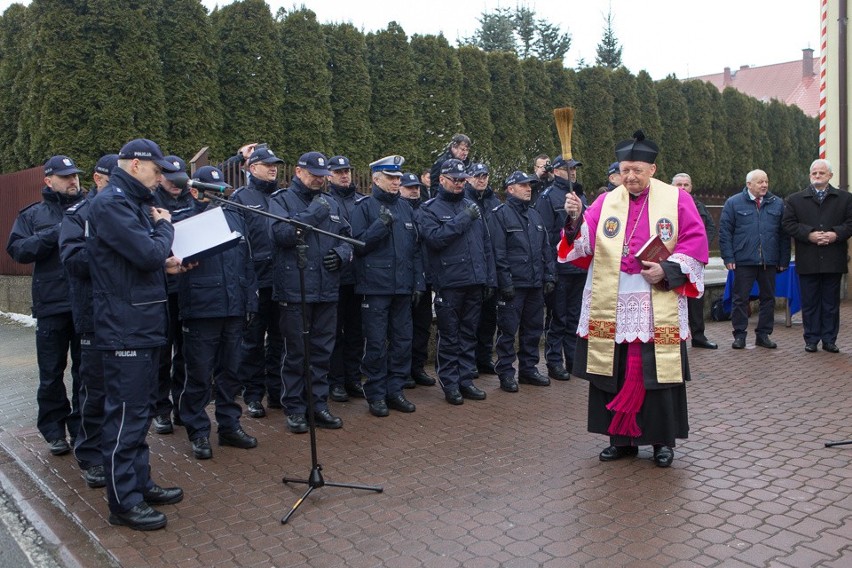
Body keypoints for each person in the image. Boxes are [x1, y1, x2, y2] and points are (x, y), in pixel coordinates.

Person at [562, 130, 708, 468]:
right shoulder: (607, 201)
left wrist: (667, 270)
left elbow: (695, 243)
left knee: (656, 369)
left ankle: (661, 442)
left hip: (656, 295)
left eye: (637, 170)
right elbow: (581, 244)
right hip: (613, 298)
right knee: (615, 369)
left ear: (652, 169)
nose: (630, 176)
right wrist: (573, 219)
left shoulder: (676, 199)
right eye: (625, 170)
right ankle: (621, 438)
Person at [86, 138, 186, 530]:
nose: (160, 176)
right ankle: (123, 503)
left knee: (139, 413)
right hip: (125, 328)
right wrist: (165, 229)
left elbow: (139, 262)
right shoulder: (111, 203)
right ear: (132, 166)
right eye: (155, 169)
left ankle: (139, 483)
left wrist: (167, 265)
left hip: (142, 323)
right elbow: (147, 254)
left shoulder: (132, 203)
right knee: (125, 417)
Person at [176, 166, 258, 459]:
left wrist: (250, 302)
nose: (217, 195)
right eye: (210, 190)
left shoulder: (235, 216)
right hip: (201, 309)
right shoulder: (182, 218)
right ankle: (198, 431)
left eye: (220, 189)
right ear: (195, 190)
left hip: (233, 307)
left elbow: (248, 263)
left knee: (231, 372)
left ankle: (229, 425)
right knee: (199, 375)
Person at [6, 155, 84, 457]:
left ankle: (81, 429)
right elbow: (19, 250)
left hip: (84, 304)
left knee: (85, 372)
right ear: (48, 181)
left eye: (74, 176)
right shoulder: (33, 215)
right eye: (65, 177)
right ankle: (53, 430)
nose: (73, 181)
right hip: (51, 305)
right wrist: (55, 233)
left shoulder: (88, 209)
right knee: (51, 372)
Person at [269, 151, 352, 433]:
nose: (319, 180)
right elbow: (281, 235)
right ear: (298, 171)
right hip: (295, 288)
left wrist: (342, 254)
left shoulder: (332, 202)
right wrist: (314, 213)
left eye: (323, 176)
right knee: (296, 352)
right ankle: (294, 407)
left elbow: (347, 238)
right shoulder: (280, 200)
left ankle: (318, 404)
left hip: (327, 288)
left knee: (321, 351)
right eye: (314, 175)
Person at [349, 156, 424, 417]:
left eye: (398, 178)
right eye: (391, 178)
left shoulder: (405, 208)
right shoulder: (364, 207)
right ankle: (377, 394)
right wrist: (380, 226)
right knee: (377, 345)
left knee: (403, 342)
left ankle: (395, 390)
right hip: (376, 288)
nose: (396, 182)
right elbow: (356, 246)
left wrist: (417, 282)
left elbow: (414, 249)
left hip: (402, 288)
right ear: (376, 179)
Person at [420, 158, 496, 405]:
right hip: (449, 283)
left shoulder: (471, 205)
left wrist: (488, 279)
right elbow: (434, 239)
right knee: (450, 336)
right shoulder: (429, 209)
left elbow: (485, 245)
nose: (459, 184)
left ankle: (465, 380)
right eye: (455, 180)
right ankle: (450, 384)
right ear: (442, 179)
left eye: (463, 180)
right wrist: (462, 218)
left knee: (468, 335)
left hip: (474, 281)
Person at [230, 146, 285, 418]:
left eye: (275, 164)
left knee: (280, 339)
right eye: (267, 164)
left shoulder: (283, 197)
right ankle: (253, 395)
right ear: (252, 168)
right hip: (255, 282)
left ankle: (277, 392)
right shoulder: (241, 198)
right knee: (251, 341)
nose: (273, 168)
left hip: (282, 280)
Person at [488, 171, 555, 392]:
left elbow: (545, 249)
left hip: (534, 284)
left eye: (530, 185)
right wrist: (504, 282)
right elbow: (498, 252)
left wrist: (549, 276)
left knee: (533, 329)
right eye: (523, 185)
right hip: (514, 286)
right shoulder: (500, 215)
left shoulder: (535, 215)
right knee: (508, 331)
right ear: (510, 188)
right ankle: (506, 372)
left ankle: (528, 369)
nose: (528, 189)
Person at [59, 188, 106, 488]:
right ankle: (91, 455)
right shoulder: (77, 216)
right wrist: (110, 245)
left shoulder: (135, 210)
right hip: (93, 315)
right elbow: (74, 260)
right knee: (94, 389)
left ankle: (117, 455)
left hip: (126, 315)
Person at [782, 159, 852, 353]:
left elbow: (850, 222)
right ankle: (811, 339)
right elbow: (788, 224)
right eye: (814, 173)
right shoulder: (794, 199)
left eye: (822, 173)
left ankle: (829, 339)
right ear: (810, 175)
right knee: (810, 302)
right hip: (808, 258)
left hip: (833, 258)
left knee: (830, 303)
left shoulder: (845, 198)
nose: (818, 176)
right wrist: (809, 234)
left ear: (830, 175)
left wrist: (836, 234)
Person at [718, 169, 790, 350]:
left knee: (768, 299)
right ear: (749, 184)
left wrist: (783, 259)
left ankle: (763, 335)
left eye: (766, 181)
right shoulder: (733, 203)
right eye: (760, 182)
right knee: (740, 299)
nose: (764, 185)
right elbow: (725, 232)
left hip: (769, 260)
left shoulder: (777, 203)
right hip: (743, 260)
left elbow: (783, 234)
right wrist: (728, 256)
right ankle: (740, 335)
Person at [533, 155, 586, 382]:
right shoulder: (548, 197)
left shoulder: (580, 195)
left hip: (579, 267)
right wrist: (549, 269)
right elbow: (543, 235)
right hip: (560, 267)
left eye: (574, 168)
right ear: (555, 172)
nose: (572, 172)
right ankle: (554, 361)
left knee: (574, 316)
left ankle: (573, 359)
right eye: (567, 169)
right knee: (557, 317)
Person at [150, 155, 193, 435]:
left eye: (180, 179)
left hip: (189, 288)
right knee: (162, 354)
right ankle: (160, 409)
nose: (175, 184)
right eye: (169, 178)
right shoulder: (150, 204)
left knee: (186, 354)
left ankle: (182, 406)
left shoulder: (193, 199)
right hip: (162, 289)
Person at [326, 155, 366, 402]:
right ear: (329, 175)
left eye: (347, 171)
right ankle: (336, 381)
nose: (344, 175)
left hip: (359, 277)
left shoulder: (361, 201)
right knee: (334, 333)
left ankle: (353, 378)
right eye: (339, 171)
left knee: (356, 332)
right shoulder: (326, 201)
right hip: (335, 277)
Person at [672, 173, 719, 349]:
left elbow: (710, 228)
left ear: (691, 187)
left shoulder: (698, 206)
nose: (683, 188)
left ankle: (698, 336)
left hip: (693, 260)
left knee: (696, 298)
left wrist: (698, 248)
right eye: (679, 185)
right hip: (672, 260)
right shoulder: (664, 206)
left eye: (686, 185)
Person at [399, 172, 436, 387]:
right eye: (409, 187)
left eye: (416, 187)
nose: (414, 190)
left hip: (425, 276)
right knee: (402, 329)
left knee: (422, 326)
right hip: (404, 278)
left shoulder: (425, 211)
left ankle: (417, 367)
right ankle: (402, 371)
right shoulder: (398, 210)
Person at [464, 162, 501, 375]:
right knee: (472, 320)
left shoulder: (493, 200)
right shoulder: (465, 200)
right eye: (477, 175)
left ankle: (484, 358)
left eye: (485, 175)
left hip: (492, 263)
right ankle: (470, 362)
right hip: (473, 265)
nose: (481, 179)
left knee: (489, 318)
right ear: (468, 178)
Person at [429, 133, 471, 198]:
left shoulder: (467, 163)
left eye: (467, 150)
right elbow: (435, 187)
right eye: (462, 149)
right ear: (454, 147)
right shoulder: (441, 163)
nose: (465, 153)